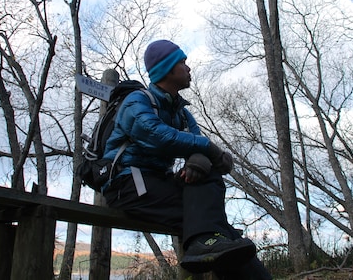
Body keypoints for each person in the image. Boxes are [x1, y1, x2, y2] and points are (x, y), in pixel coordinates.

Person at [103, 40, 272, 279]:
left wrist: (198, 162)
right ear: (167, 69)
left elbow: (198, 145)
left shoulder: (181, 113)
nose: (188, 68)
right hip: (128, 185)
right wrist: (205, 149)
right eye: (183, 62)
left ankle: (211, 244)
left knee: (221, 234)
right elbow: (155, 135)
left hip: (158, 186)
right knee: (217, 229)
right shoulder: (137, 102)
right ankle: (208, 241)